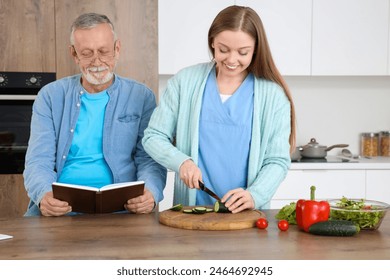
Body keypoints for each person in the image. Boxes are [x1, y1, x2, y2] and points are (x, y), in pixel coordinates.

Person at [142, 5, 296, 213]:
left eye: (243, 52)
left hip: (246, 216)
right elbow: (153, 137)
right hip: (191, 212)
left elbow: (277, 160)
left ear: (256, 49)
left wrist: (255, 195)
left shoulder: (273, 96)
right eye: (223, 50)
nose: (231, 60)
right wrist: (182, 163)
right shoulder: (185, 82)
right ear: (212, 41)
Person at [23, 13, 166, 216]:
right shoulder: (50, 96)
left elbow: (150, 158)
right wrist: (43, 195)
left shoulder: (141, 96)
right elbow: (38, 160)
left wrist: (150, 192)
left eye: (103, 51)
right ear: (74, 54)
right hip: (60, 209)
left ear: (117, 49)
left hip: (123, 209)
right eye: (87, 53)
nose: (97, 61)